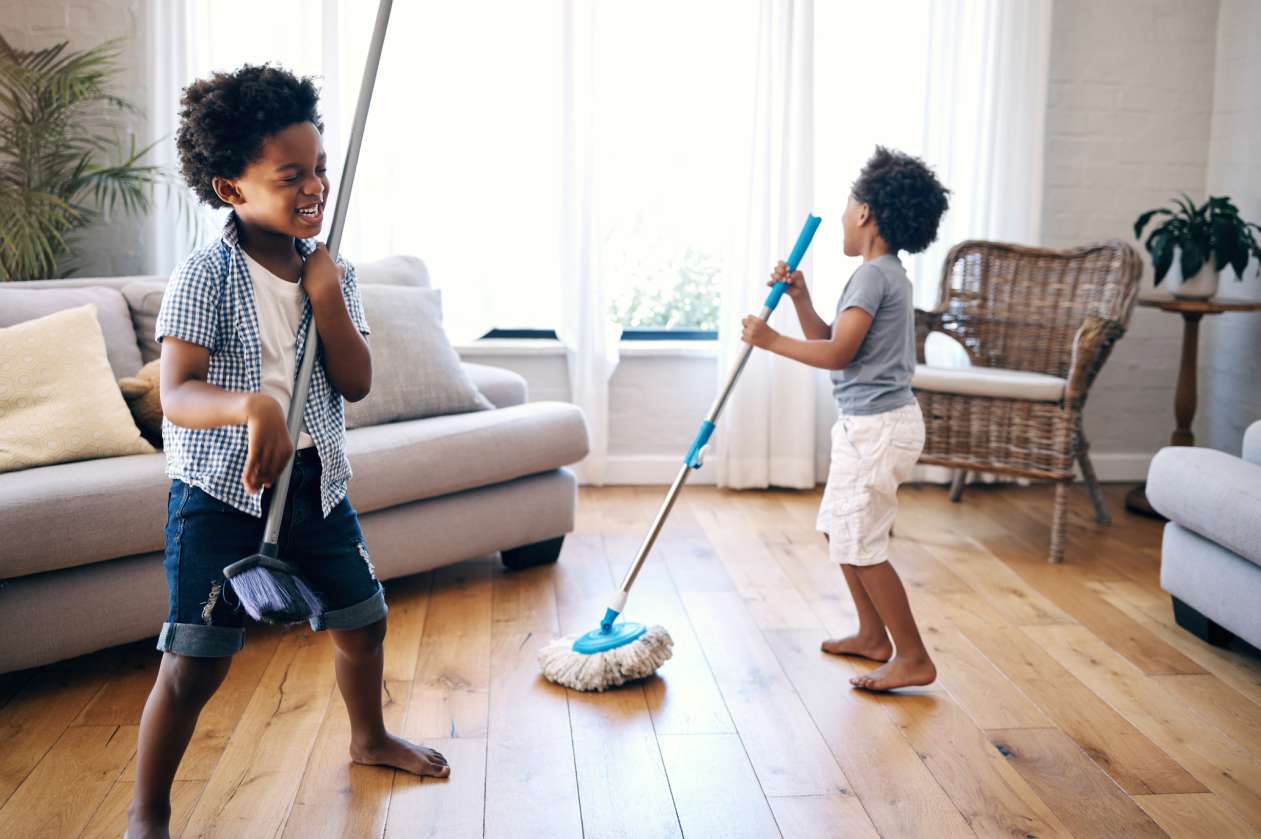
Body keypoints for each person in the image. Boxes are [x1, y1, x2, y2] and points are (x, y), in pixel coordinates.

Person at [127, 64, 448, 839]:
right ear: (231, 188)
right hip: (221, 494)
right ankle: (148, 812)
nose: (317, 187)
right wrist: (253, 405)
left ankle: (368, 736)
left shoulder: (330, 267)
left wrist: (329, 298)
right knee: (196, 657)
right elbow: (177, 393)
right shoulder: (204, 275)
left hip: (317, 484)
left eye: (322, 168)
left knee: (363, 622)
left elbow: (357, 381)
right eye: (292, 175)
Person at [741, 146, 949, 692]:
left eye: (846, 205)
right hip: (870, 425)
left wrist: (768, 340)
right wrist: (801, 300)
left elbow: (833, 357)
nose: (841, 216)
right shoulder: (883, 276)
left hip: (877, 429)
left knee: (861, 541)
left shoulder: (872, 279)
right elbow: (836, 343)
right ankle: (871, 635)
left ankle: (912, 656)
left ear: (864, 214)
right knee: (842, 529)